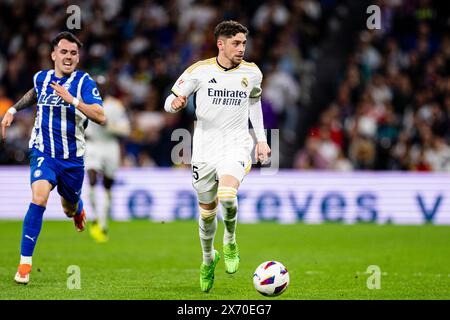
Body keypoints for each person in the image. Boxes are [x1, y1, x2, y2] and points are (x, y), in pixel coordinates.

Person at [164, 20, 271, 292]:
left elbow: (254, 102)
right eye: (236, 43)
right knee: (207, 214)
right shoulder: (199, 71)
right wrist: (175, 103)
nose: (241, 48)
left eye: (244, 43)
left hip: (236, 144)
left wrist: (261, 140)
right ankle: (208, 258)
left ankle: (231, 240)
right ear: (220, 44)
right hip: (203, 148)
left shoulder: (252, 73)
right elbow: (170, 100)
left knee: (227, 195)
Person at [0, 31, 106, 284]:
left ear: (78, 58)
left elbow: (101, 116)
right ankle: (25, 264)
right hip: (42, 152)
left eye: (73, 53)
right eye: (64, 52)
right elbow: (34, 94)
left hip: (72, 160)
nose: (68, 57)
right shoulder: (42, 78)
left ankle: (78, 209)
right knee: (39, 197)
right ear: (53, 54)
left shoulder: (84, 82)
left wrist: (73, 101)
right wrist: (13, 110)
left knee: (68, 207)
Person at [85, 75, 130, 243]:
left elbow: (126, 130)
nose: (100, 89)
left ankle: (102, 223)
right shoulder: (84, 102)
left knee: (107, 188)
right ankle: (97, 218)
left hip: (110, 146)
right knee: (91, 181)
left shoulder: (115, 106)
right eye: (97, 86)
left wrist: (109, 125)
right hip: (92, 146)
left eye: (103, 86)